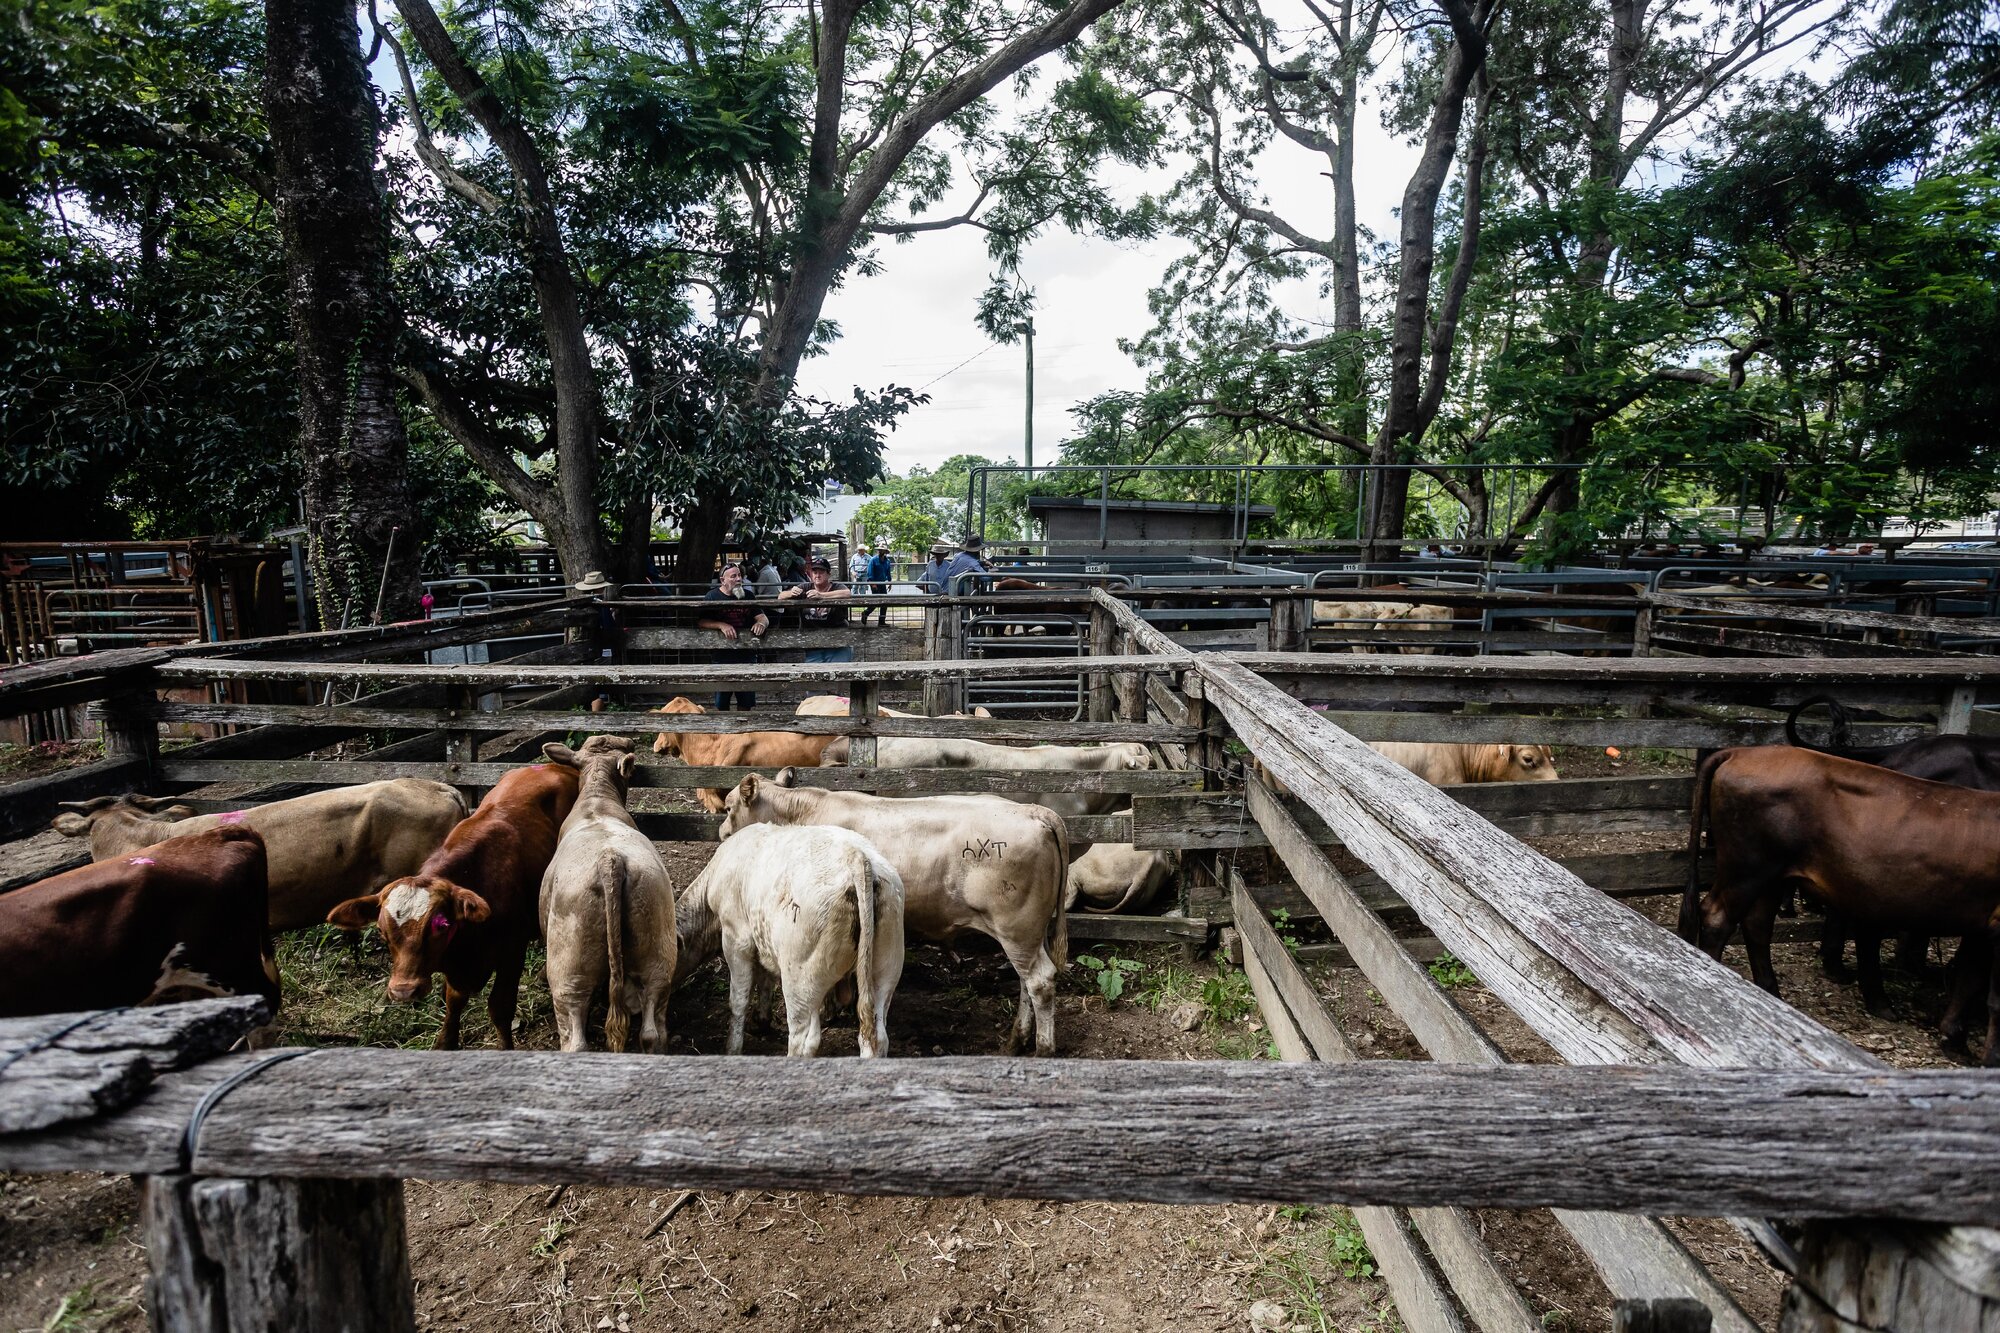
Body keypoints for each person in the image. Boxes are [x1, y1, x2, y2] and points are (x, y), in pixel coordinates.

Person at [698, 562, 768, 710]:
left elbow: (762, 617)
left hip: (746, 653)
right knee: (722, 702)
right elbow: (702, 621)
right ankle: (725, 731)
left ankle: (744, 730)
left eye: (739, 575)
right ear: (723, 580)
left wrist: (761, 624)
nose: (738, 579)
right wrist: (721, 625)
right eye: (733, 576)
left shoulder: (748, 596)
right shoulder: (712, 596)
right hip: (722, 655)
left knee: (746, 700)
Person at [778, 553, 853, 662]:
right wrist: (791, 593)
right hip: (813, 643)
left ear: (828, 574)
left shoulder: (836, 587)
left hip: (837, 642)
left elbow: (847, 593)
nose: (817, 575)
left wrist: (821, 596)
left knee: (839, 672)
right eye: (815, 572)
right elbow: (781, 596)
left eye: (821, 572)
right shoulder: (805, 586)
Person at [863, 538, 894, 625]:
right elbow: (870, 572)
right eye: (880, 550)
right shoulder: (873, 560)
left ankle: (881, 621)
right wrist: (873, 584)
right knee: (876, 601)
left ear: (885, 552)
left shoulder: (887, 561)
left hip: (882, 583)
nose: (880, 552)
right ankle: (866, 612)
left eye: (882, 550)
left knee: (884, 602)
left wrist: (890, 582)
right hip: (875, 583)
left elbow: (888, 572)